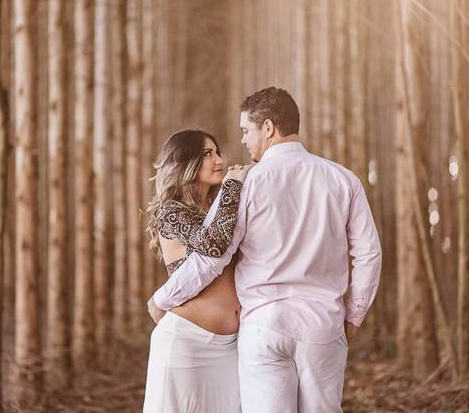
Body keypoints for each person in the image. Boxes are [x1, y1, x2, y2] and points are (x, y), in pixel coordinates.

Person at [148, 87, 382, 413]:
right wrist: (353, 316)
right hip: (323, 326)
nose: (242, 141)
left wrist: (162, 299)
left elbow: (212, 258)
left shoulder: (246, 185)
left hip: (262, 327)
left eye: (246, 130)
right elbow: (369, 254)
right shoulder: (343, 179)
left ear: (268, 128)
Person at [142, 129, 250, 413]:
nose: (219, 160)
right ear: (185, 162)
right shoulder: (171, 212)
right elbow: (213, 244)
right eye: (207, 154)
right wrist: (232, 187)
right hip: (185, 343)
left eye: (217, 152)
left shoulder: (221, 207)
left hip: (230, 347)